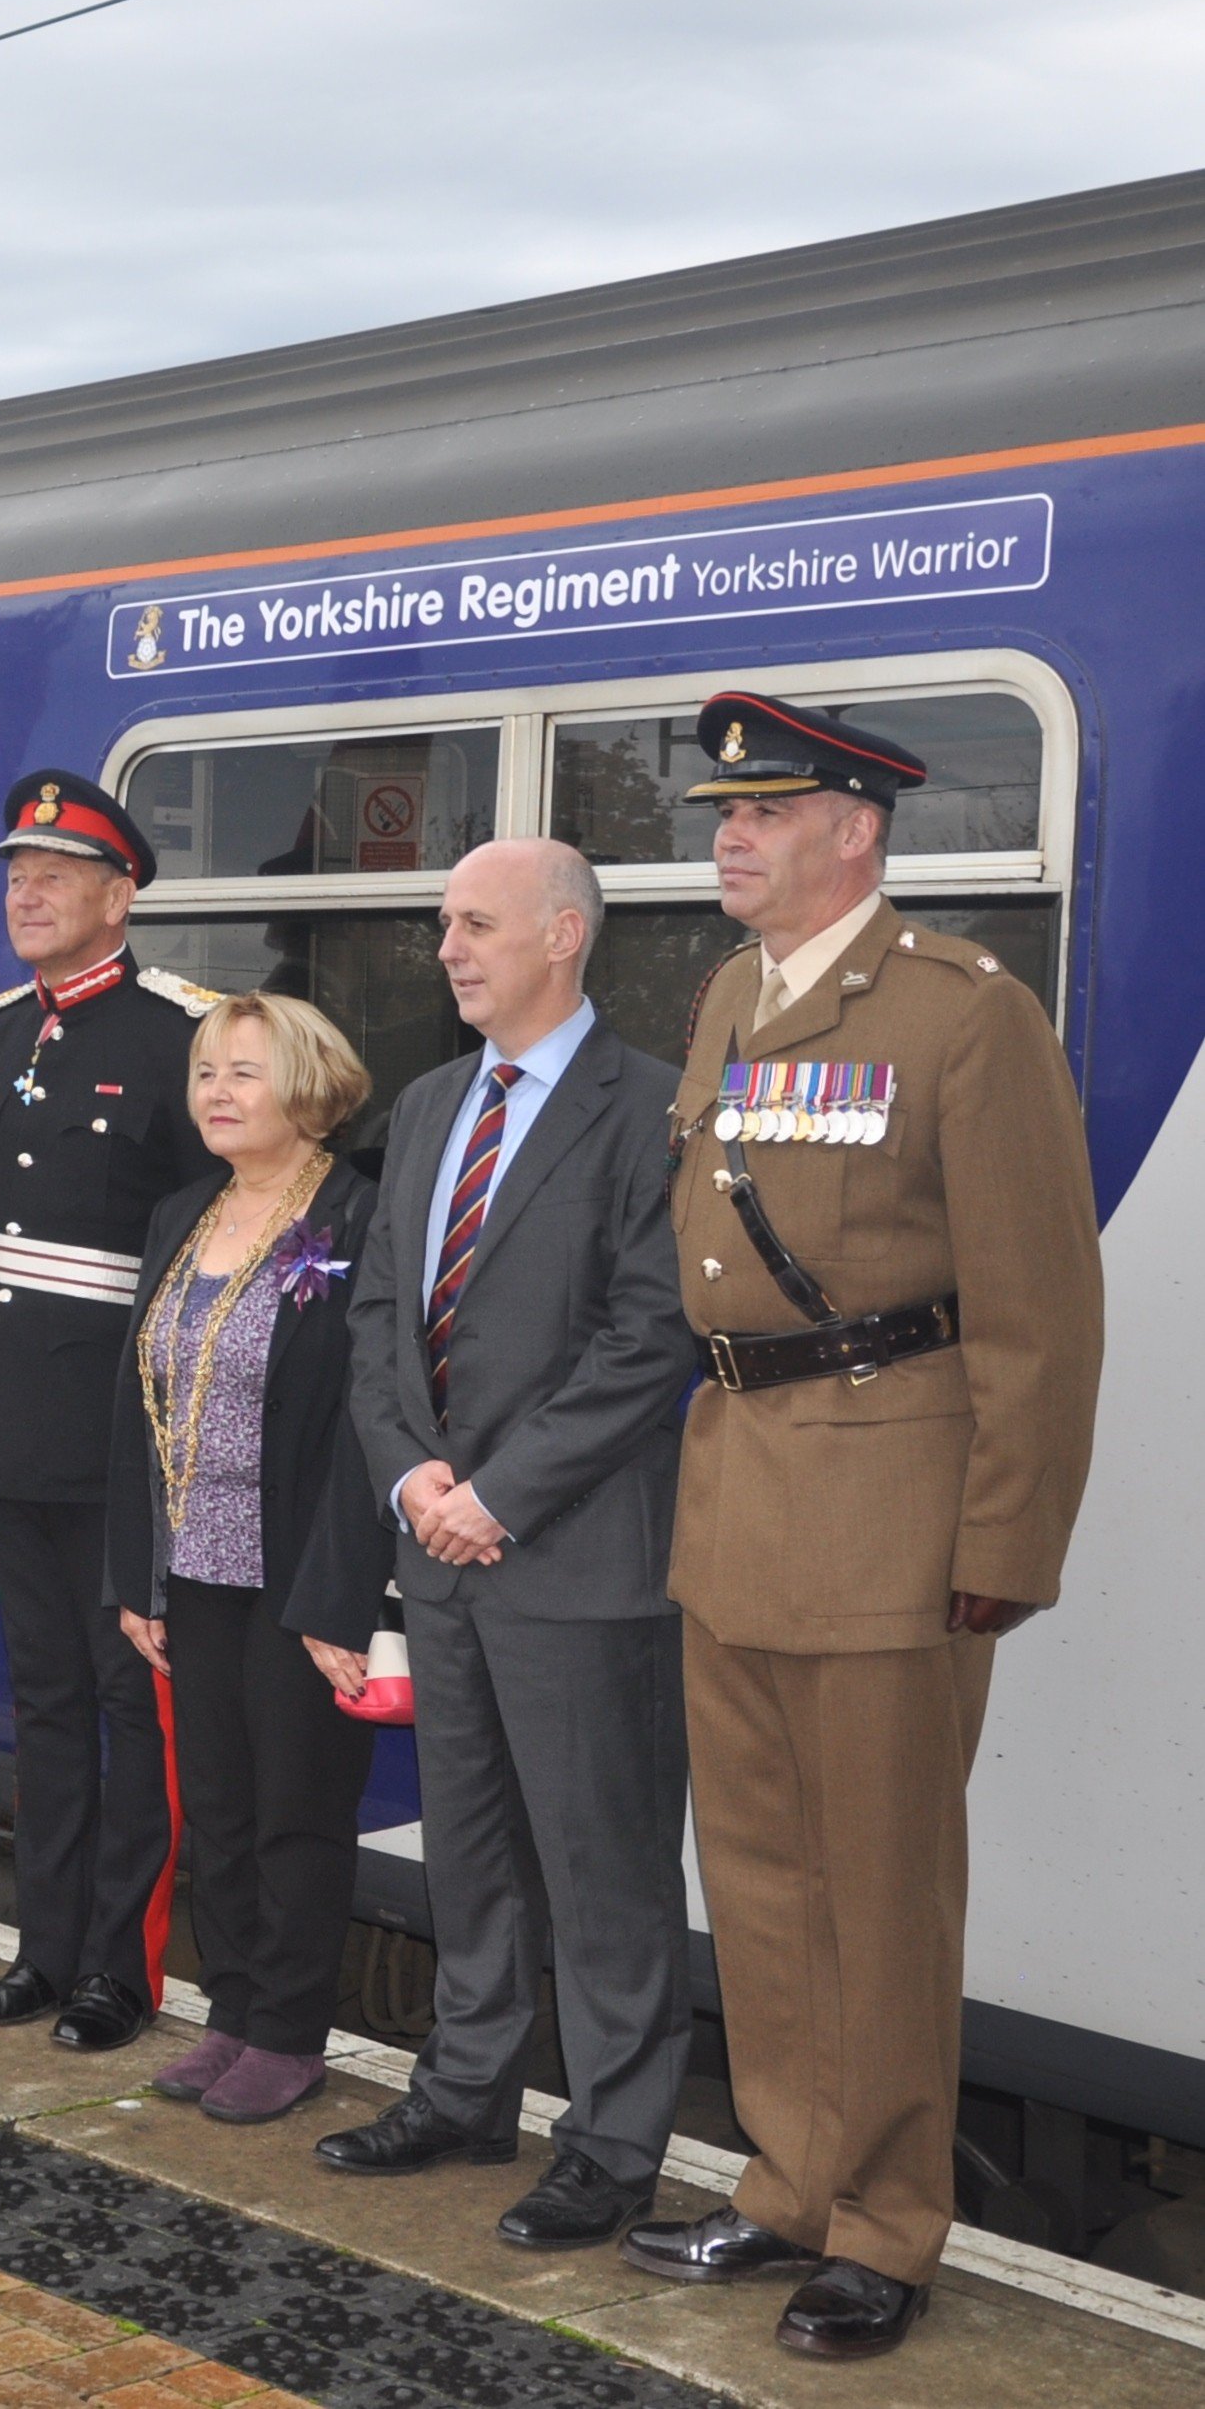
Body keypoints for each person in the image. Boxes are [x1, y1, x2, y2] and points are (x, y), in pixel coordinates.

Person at [619, 694, 1104, 2361]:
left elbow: (1042, 1310)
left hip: (896, 1502)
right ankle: (788, 2181)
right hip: (742, 1483)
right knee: (756, 1874)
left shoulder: (963, 1014)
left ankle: (888, 2225)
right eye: (721, 817)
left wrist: (1004, 1546)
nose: (729, 838)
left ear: (856, 831)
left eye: (764, 814)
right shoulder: (728, 1002)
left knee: (882, 1884)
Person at [328, 839, 699, 2246]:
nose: (446, 949)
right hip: (438, 1545)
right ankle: (469, 2083)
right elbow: (377, 1319)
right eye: (441, 925)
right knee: (470, 1846)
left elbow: (645, 1335)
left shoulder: (650, 1109)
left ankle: (611, 2143)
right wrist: (416, 1478)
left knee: (602, 1864)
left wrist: (500, 1491)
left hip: (579, 1556)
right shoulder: (429, 1104)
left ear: (562, 936)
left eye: (473, 924)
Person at [0, 770, 217, 2047]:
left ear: (120, 895)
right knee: (39, 1699)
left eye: (56, 874)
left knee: (128, 1709)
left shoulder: (179, 1041)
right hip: (8, 1428)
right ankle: (40, 1953)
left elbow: (211, 1255)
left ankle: (122, 1968)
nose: (27, 891)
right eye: (16, 872)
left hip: (124, 1444)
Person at [107, 993, 385, 2124]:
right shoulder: (182, 1208)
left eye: (243, 1073)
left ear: (308, 1087)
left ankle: (286, 2032)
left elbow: (372, 1420)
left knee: (295, 1812)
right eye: (205, 1072)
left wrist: (338, 1595)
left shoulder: (359, 1218)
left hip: (295, 1575)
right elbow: (127, 1404)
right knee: (214, 1807)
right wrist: (136, 1576)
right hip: (191, 1569)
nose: (214, 1093)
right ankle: (228, 2010)